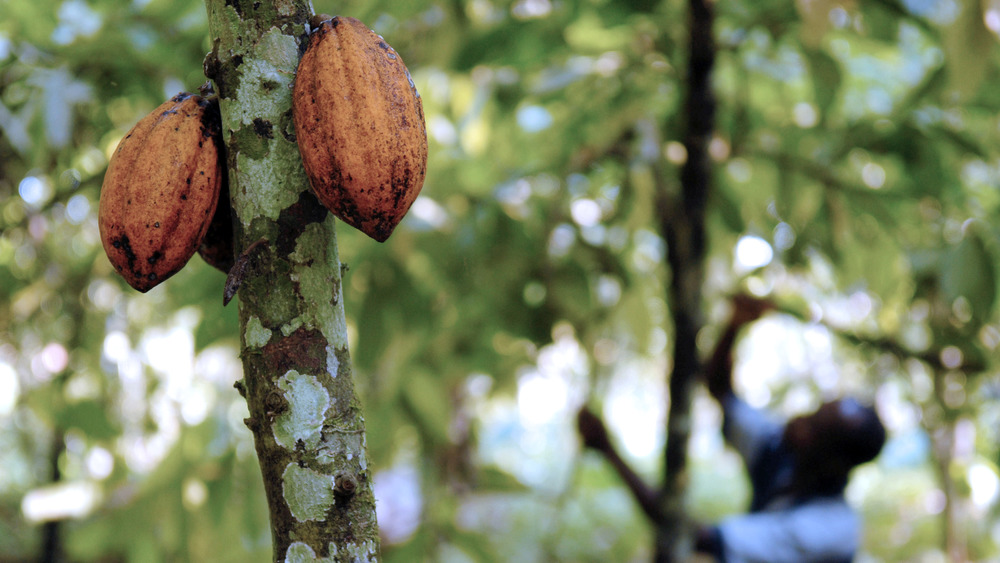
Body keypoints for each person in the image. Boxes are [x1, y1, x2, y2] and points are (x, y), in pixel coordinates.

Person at [694, 295, 886, 563]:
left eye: (812, 428)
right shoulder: (780, 453)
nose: (797, 420)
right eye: (811, 412)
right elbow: (720, 390)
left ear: (834, 462)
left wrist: (613, 453)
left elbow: (706, 539)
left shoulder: (831, 527)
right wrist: (735, 325)